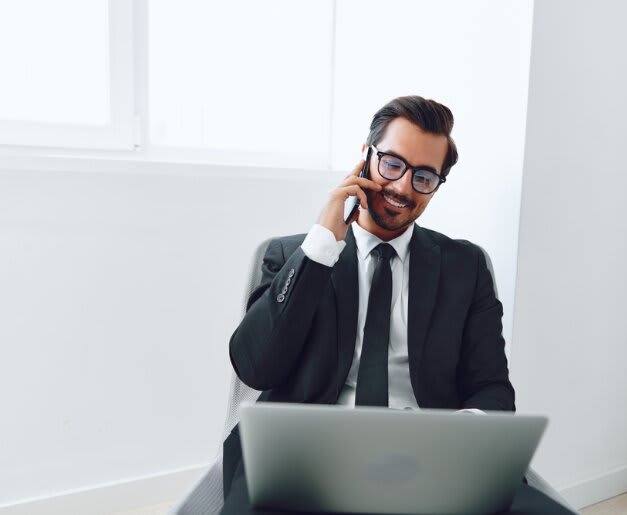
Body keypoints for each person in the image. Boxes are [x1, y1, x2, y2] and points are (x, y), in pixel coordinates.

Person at [220, 96, 572, 514]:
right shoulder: (293, 254)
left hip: (432, 459)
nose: (403, 187)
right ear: (365, 157)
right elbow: (255, 367)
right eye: (392, 164)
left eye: (424, 176)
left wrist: (457, 438)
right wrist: (320, 247)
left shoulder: (466, 266)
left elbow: (492, 386)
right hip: (306, 459)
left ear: (438, 184)